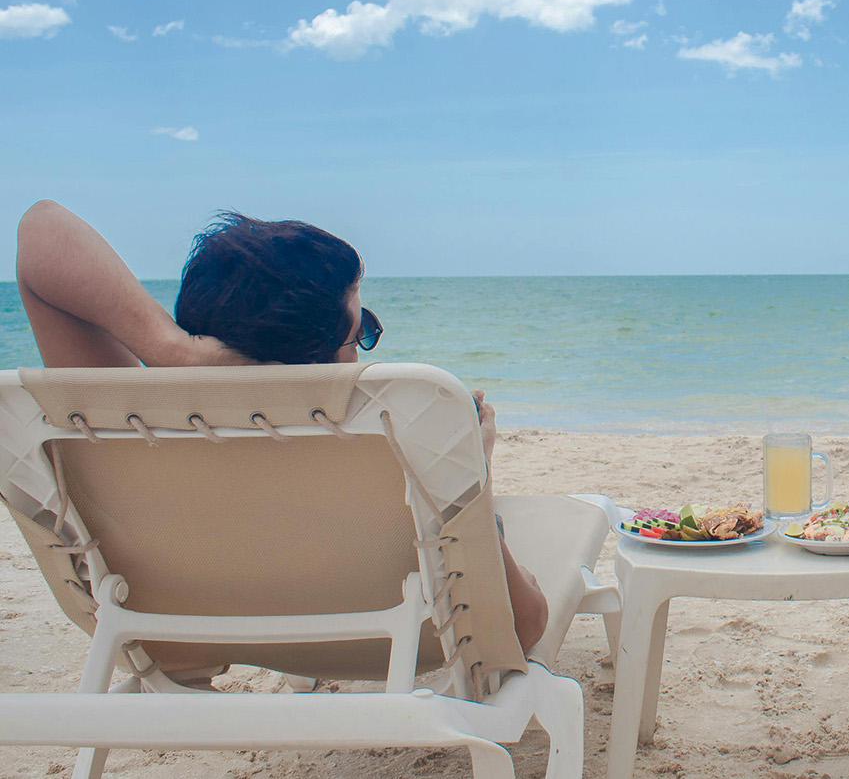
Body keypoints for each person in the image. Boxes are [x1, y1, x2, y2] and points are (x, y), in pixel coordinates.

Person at [14, 199, 548, 653]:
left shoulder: (126, 435)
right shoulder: (390, 456)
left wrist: (170, 351)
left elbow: (40, 229)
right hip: (383, 642)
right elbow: (522, 628)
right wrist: (472, 483)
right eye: (363, 331)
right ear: (323, 357)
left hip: (172, 637)